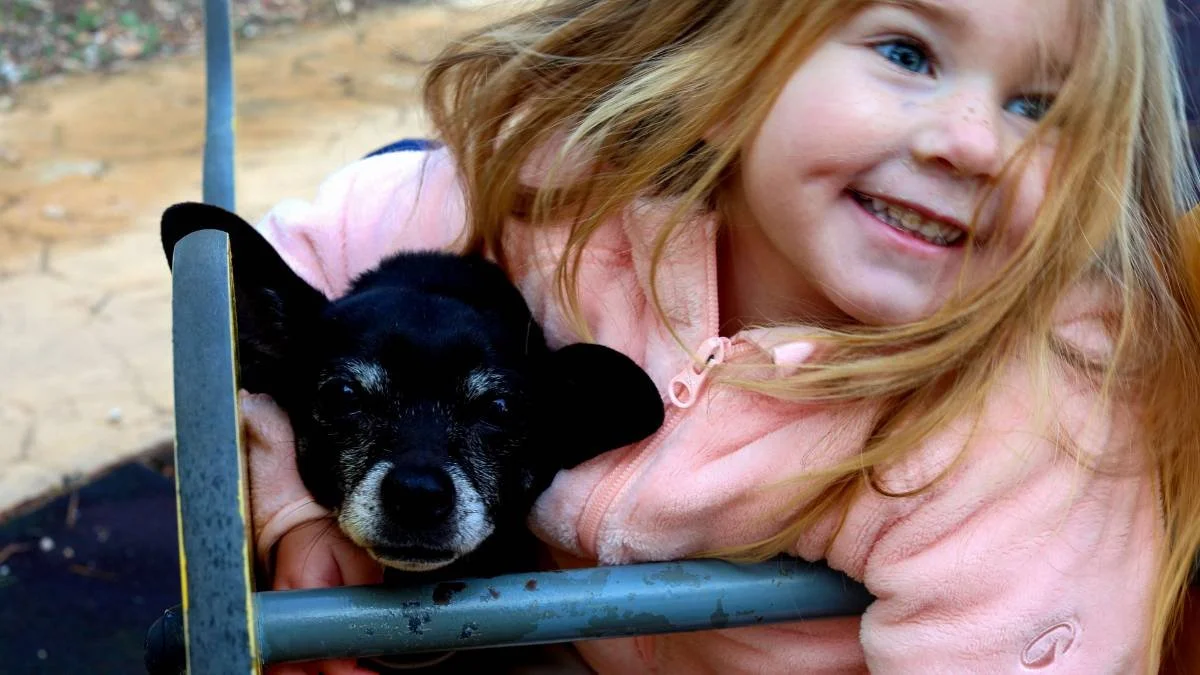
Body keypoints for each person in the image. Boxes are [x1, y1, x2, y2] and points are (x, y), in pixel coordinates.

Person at [237, 0, 1200, 672]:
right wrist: (294, 506)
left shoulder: (1020, 432)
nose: (976, 142)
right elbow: (261, 282)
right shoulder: (573, 204)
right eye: (907, 52)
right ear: (737, 72)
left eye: (1040, 109)